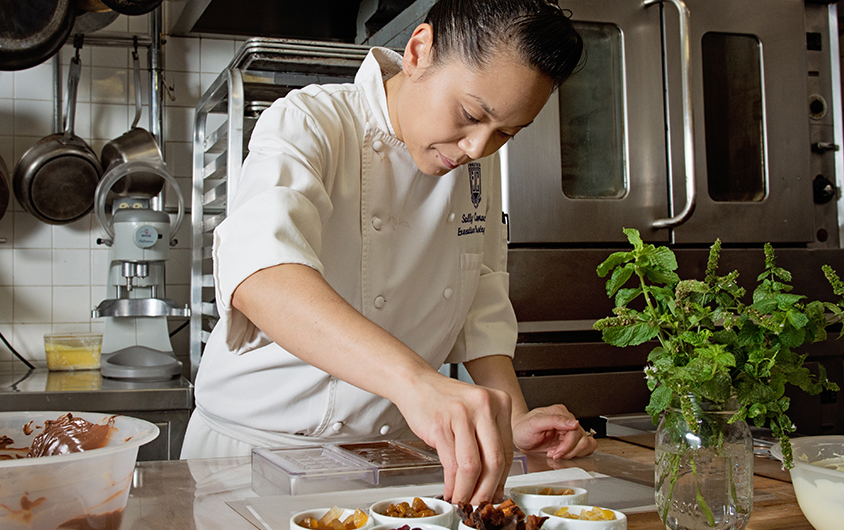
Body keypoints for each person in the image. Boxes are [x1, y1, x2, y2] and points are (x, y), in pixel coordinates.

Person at [180, 0, 592, 506]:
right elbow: (262, 274)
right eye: (470, 114)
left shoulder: (479, 169)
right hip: (248, 459)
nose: (477, 148)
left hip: (385, 461)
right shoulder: (312, 121)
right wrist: (417, 383)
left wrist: (512, 419)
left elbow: (478, 294)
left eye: (506, 133)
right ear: (419, 51)